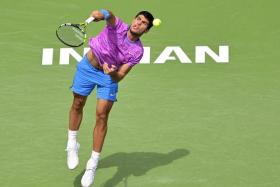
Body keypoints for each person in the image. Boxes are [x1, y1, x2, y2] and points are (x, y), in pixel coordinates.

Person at [65, 9, 154, 187]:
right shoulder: (118, 26)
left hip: (108, 77)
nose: (138, 23)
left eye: (144, 23)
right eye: (138, 19)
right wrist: (100, 13)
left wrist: (112, 73)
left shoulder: (137, 51)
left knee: (102, 115)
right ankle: (72, 143)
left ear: (146, 30)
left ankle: (92, 164)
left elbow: (120, 75)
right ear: (133, 19)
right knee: (77, 103)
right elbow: (108, 14)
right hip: (87, 68)